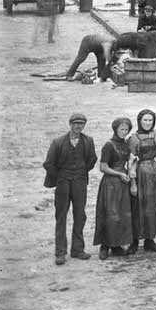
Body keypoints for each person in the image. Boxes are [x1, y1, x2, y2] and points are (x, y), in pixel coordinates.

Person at [43, 113, 98, 265]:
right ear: (70, 124)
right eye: (75, 123)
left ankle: (77, 249)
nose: (78, 126)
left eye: (81, 124)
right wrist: (61, 176)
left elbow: (92, 159)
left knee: (80, 215)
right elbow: (48, 163)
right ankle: (60, 252)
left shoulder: (88, 141)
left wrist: (81, 172)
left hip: (80, 183)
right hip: (63, 183)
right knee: (61, 216)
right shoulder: (58, 142)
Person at [127, 109, 156, 255]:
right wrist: (132, 181)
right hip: (140, 173)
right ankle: (134, 241)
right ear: (139, 121)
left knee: (154, 205)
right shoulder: (134, 138)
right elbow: (131, 159)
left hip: (155, 172)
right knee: (139, 206)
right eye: (145, 120)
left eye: (150, 120)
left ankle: (149, 240)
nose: (147, 123)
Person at [93, 117, 134, 260]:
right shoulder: (108, 145)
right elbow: (103, 167)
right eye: (121, 129)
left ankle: (116, 245)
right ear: (115, 129)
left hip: (123, 183)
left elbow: (129, 161)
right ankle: (104, 246)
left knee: (122, 214)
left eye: (126, 129)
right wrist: (119, 174)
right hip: (110, 184)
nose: (124, 132)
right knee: (110, 214)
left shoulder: (126, 144)